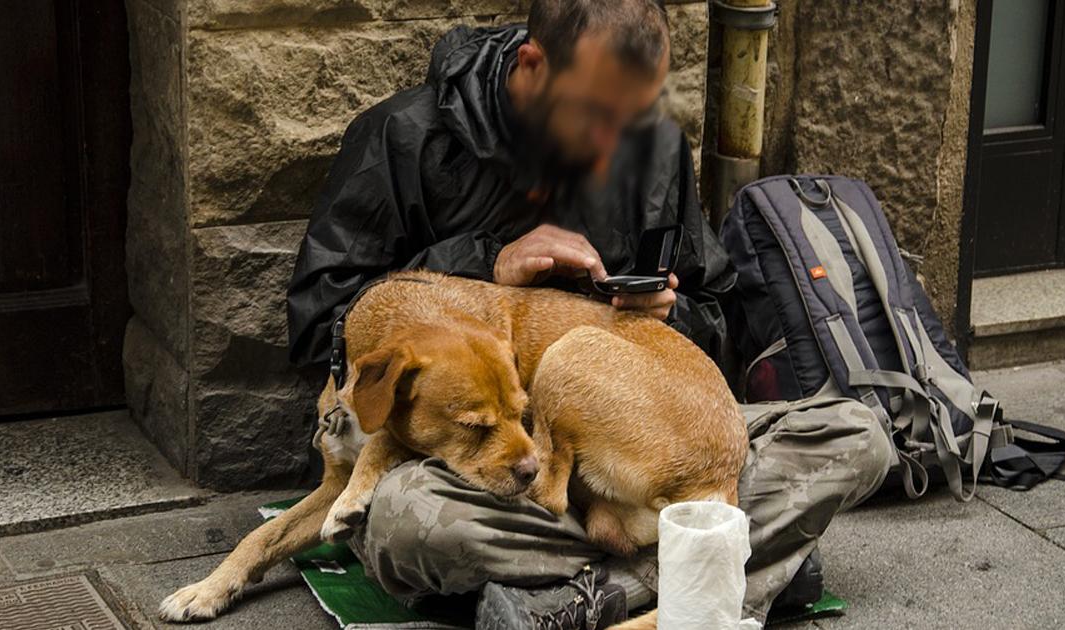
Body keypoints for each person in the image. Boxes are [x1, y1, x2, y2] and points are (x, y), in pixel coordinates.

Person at [286, 0, 893, 627]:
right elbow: (319, 325)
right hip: (486, 472)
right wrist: (486, 262)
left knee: (860, 437)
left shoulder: (650, 146)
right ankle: (715, 563)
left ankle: (591, 595)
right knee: (407, 525)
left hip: (624, 447)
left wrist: (669, 310)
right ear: (533, 65)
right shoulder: (403, 137)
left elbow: (717, 318)